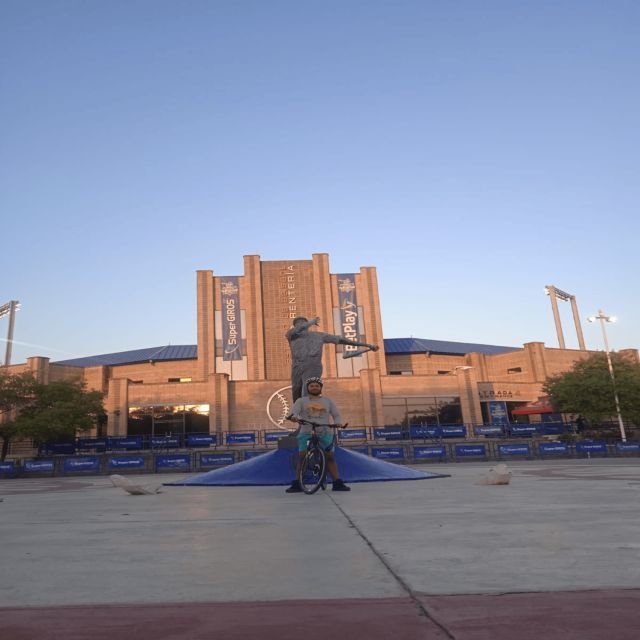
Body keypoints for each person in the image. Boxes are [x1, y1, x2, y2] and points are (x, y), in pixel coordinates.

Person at [286, 316, 378, 402]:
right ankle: (297, 411)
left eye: (302, 323)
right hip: (297, 366)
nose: (301, 325)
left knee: (307, 387)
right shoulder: (292, 335)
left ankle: (306, 412)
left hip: (313, 365)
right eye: (298, 323)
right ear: (295, 326)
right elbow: (297, 329)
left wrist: (367, 345)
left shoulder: (319, 336)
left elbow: (342, 340)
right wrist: (310, 322)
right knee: (296, 388)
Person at [285, 377, 350, 493]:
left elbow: (336, 414)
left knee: (330, 457)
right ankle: (297, 483)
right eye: (312, 386)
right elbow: (295, 411)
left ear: (320, 388)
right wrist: (294, 417)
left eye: (317, 386)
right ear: (308, 388)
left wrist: (338, 422)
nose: (314, 388)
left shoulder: (327, 401)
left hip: (325, 431)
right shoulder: (301, 401)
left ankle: (337, 483)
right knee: (302, 457)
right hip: (306, 431)